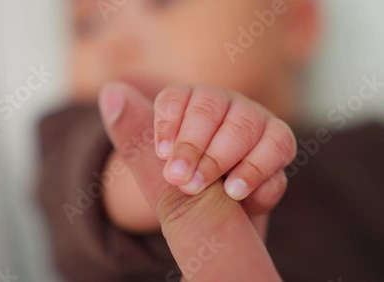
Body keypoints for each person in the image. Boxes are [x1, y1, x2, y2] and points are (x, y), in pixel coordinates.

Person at [37, 0, 384, 281]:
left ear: (295, 21)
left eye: (164, 3)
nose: (115, 45)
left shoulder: (368, 152)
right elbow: (99, 182)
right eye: (87, 24)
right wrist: (169, 164)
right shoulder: (69, 136)